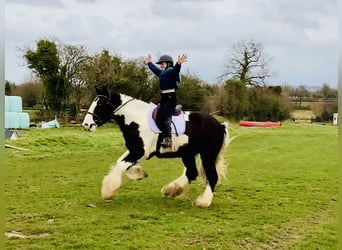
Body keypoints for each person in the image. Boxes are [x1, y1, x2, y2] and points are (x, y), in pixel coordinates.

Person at [146, 53, 188, 148]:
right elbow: (155, 69)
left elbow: (176, 70)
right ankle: (163, 135)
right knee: (158, 116)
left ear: (168, 64)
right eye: (160, 64)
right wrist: (149, 63)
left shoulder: (172, 71)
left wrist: (178, 64)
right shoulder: (162, 73)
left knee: (164, 117)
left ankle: (168, 140)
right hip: (164, 98)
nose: (160, 65)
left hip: (170, 99)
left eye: (162, 63)